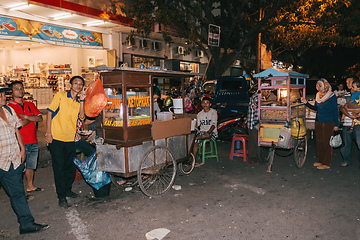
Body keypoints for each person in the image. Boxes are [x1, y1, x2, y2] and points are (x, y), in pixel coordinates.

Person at [0, 86, 49, 234]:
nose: (4, 97)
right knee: (17, 193)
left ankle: (26, 224)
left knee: (18, 193)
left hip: (13, 159)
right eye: (1, 96)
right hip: (1, 161)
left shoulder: (8, 110)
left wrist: (22, 148)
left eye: (3, 95)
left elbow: (17, 128)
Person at [46, 76, 86, 208]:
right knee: (59, 168)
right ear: (70, 84)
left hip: (70, 138)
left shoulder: (78, 101)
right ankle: (61, 196)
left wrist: (83, 100)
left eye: (80, 84)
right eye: (76, 83)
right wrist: (49, 133)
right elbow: (49, 113)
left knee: (69, 167)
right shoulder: (60, 96)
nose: (78, 86)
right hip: (56, 137)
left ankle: (68, 190)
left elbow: (81, 117)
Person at [9, 81, 44, 195]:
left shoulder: (30, 104)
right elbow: (19, 124)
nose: (20, 90)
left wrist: (26, 117)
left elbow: (40, 119)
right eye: (16, 89)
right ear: (12, 91)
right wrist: (31, 117)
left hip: (33, 140)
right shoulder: (9, 108)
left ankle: (30, 186)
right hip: (19, 143)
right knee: (19, 169)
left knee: (31, 166)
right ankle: (19, 192)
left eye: (21, 88)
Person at [301, 78, 339, 169]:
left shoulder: (331, 96)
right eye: (317, 85)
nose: (317, 87)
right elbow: (315, 108)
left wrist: (336, 124)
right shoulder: (318, 95)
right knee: (319, 142)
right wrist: (306, 103)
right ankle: (320, 161)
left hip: (328, 122)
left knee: (327, 142)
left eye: (320, 85)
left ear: (325, 86)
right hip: (318, 121)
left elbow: (335, 110)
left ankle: (326, 163)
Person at [247, 83, 278, 165]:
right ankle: (252, 159)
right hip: (253, 123)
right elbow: (258, 104)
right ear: (262, 90)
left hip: (259, 123)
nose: (268, 93)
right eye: (267, 91)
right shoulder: (256, 96)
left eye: (269, 91)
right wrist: (271, 101)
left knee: (259, 141)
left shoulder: (262, 97)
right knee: (254, 143)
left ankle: (258, 157)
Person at [340, 76, 360, 167]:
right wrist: (349, 115)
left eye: (350, 82)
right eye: (347, 82)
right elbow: (342, 108)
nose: (348, 84)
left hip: (358, 123)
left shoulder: (358, 94)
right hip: (347, 123)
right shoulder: (345, 95)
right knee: (346, 144)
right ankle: (346, 160)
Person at [193, 96, 217, 166]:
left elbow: (213, 125)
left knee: (207, 134)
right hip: (202, 133)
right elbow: (198, 125)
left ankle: (198, 137)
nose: (205, 104)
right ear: (201, 104)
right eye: (204, 103)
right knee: (195, 142)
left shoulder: (213, 112)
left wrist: (209, 131)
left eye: (207, 103)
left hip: (211, 132)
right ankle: (194, 160)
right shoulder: (200, 114)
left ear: (210, 104)